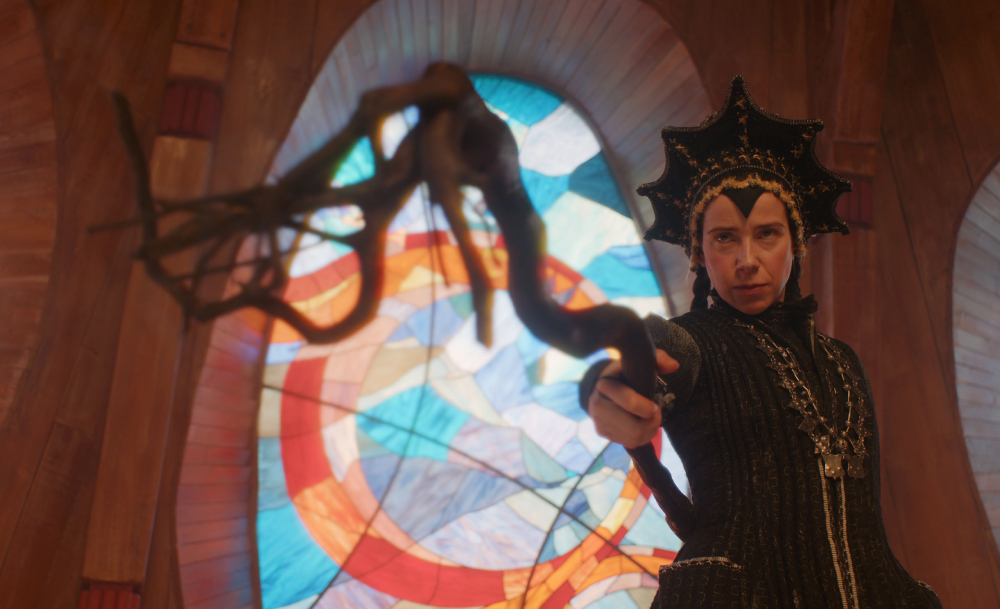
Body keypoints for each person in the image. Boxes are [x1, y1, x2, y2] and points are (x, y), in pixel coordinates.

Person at [578, 77, 943, 609]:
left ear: (796, 243)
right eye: (724, 238)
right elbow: (647, 354)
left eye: (767, 234)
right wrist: (605, 388)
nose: (746, 259)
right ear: (700, 253)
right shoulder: (694, 343)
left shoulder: (844, 363)